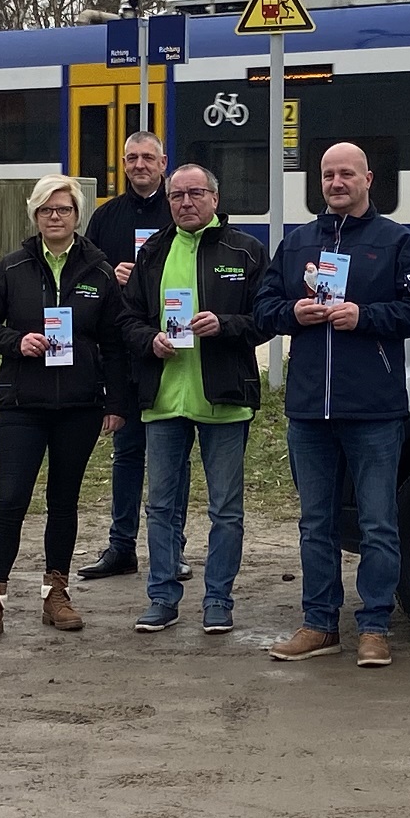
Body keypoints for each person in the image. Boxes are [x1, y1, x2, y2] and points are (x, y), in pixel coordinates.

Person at [253, 142, 410, 667]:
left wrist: (366, 316)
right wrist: (294, 311)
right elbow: (264, 309)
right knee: (316, 523)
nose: (337, 183)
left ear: (368, 179)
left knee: (379, 522)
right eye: (328, 175)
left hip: (374, 410)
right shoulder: (297, 246)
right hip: (309, 411)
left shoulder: (396, 243)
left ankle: (375, 626)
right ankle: (319, 624)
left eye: (346, 174)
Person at [0, 174, 132, 642]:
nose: (54, 217)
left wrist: (114, 402)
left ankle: (55, 594)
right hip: (22, 402)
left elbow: (115, 341)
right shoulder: (13, 266)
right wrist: (17, 342)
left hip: (79, 405)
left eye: (63, 210)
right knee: (11, 500)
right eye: (46, 210)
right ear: (35, 216)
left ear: (77, 216)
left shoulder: (98, 270)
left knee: (64, 503)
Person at [123, 163, 269, 634]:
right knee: (161, 506)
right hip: (164, 400)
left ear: (215, 198)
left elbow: (268, 319)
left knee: (225, 509)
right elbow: (126, 319)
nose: (186, 203)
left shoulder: (244, 251)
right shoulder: (152, 252)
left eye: (195, 194)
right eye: (177, 196)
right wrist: (150, 340)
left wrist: (224, 325)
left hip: (223, 401)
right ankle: (162, 597)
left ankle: (218, 602)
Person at [76, 131, 177, 582]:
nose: (140, 165)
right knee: (126, 452)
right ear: (123, 162)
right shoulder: (105, 216)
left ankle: (172, 548)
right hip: (121, 350)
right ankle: (121, 546)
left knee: (170, 458)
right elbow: (88, 276)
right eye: (132, 158)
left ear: (163, 161)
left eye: (148, 158)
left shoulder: (178, 207)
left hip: (168, 347)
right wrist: (111, 278)